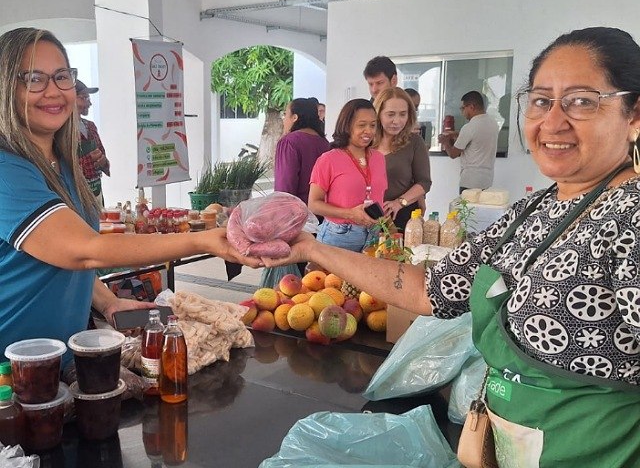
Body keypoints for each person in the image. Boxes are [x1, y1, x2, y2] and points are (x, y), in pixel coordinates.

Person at [265, 27, 640, 466]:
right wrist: (312, 249)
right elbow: (431, 289)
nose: (553, 122)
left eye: (581, 101)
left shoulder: (630, 217)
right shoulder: (533, 210)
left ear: (634, 115)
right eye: (541, 101)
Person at [0, 27, 260, 363]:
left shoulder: (59, 164)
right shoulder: (7, 171)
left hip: (59, 362)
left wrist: (108, 302)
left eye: (61, 76)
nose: (54, 91)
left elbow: (59, 258)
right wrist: (206, 240)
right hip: (11, 372)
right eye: (34, 79)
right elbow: (83, 251)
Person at [309, 98, 386, 252]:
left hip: (375, 235)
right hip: (339, 236)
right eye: (362, 125)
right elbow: (313, 204)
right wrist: (350, 214)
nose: (369, 131)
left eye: (373, 125)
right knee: (332, 278)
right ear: (347, 126)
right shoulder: (329, 159)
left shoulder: (379, 158)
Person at [267, 97, 329, 282]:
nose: (283, 119)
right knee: (316, 279)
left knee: (293, 283)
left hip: (297, 222)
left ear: (295, 117)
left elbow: (284, 190)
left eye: (285, 114)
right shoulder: (324, 143)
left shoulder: (290, 142)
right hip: (323, 220)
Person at [373, 87, 431, 231]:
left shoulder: (414, 142)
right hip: (368, 216)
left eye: (403, 114)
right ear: (378, 113)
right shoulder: (366, 142)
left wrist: (399, 202)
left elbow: (424, 182)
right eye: (390, 114)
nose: (397, 121)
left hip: (401, 215)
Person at [438, 90, 499, 192]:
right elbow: (478, 136)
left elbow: (453, 154)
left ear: (471, 107)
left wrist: (444, 141)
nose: (462, 112)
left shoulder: (469, 127)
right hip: (487, 180)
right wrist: (456, 134)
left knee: (467, 208)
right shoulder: (493, 124)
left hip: (470, 182)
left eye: (463, 108)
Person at [76, 79, 110, 203]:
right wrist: (86, 161)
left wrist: (103, 161)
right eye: (84, 98)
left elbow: (103, 155)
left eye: (88, 98)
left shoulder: (90, 126)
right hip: (76, 195)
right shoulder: (60, 130)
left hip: (96, 191)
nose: (89, 103)